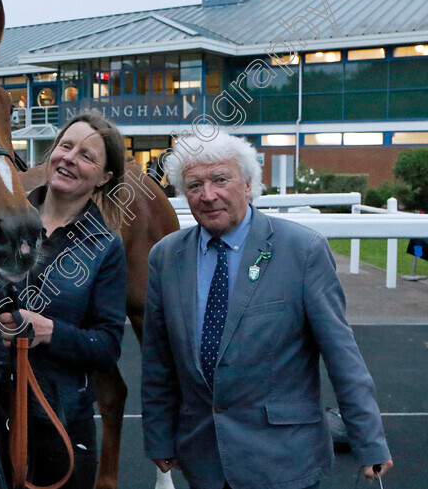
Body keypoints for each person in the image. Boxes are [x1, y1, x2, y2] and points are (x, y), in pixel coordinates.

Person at [141, 131, 393, 489]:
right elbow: (158, 362)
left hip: (284, 461)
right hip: (203, 459)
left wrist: (369, 440)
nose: (208, 195)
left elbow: (342, 355)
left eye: (220, 179)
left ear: (247, 184)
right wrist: (159, 437)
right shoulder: (165, 257)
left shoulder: (302, 250)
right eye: (195, 184)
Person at [0, 111, 128, 489]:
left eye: (87, 155)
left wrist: (48, 331)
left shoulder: (105, 248)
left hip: (62, 423)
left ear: (104, 178)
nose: (70, 158)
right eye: (65, 146)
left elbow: (107, 345)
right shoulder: (5, 221)